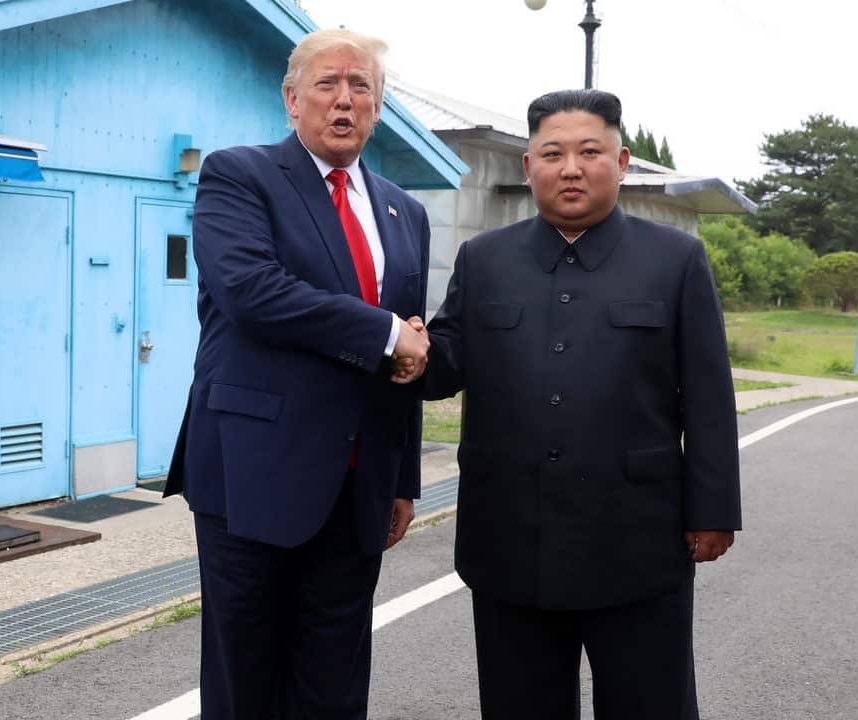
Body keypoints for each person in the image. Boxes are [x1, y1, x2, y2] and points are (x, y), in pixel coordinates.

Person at [416, 89, 741, 720]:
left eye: (590, 152)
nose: (571, 167)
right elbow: (447, 361)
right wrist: (402, 348)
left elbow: (707, 395)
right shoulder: (484, 260)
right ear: (527, 166)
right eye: (553, 153)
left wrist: (714, 510)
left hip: (638, 542)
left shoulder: (675, 260)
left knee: (651, 705)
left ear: (621, 163)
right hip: (510, 538)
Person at [162, 28, 432, 719]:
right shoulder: (239, 175)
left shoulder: (407, 212)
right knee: (246, 675)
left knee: (336, 678)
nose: (344, 100)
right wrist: (381, 331)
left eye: (361, 86)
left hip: (359, 483)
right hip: (253, 470)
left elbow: (408, 354)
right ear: (291, 100)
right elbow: (252, 291)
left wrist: (402, 478)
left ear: (378, 106)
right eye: (327, 84)